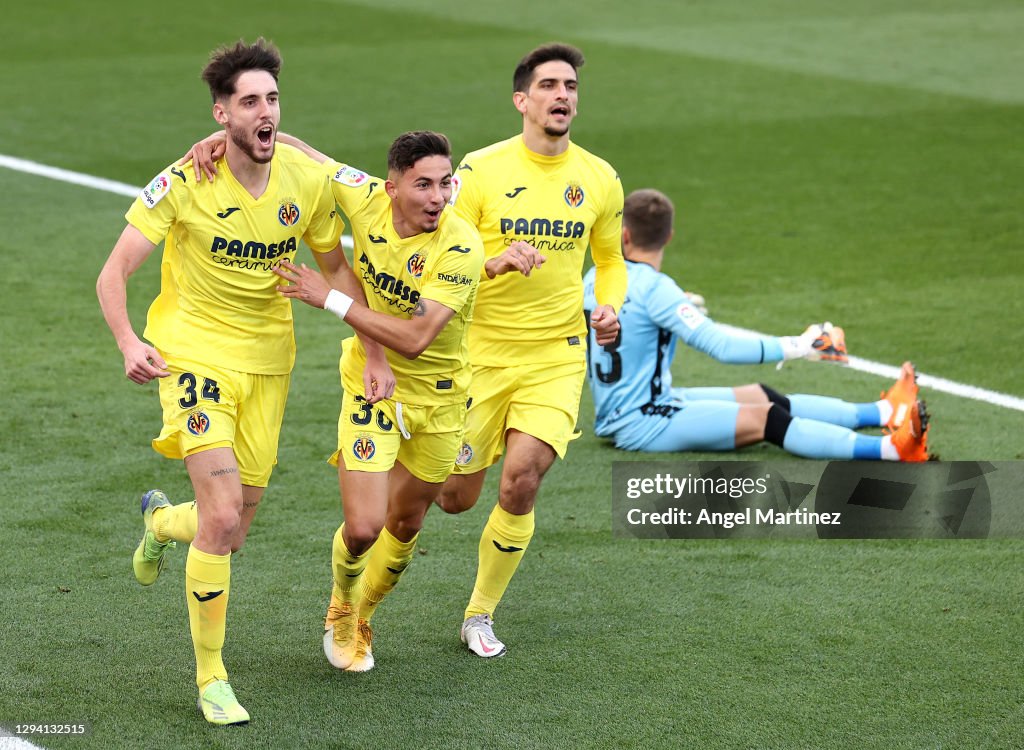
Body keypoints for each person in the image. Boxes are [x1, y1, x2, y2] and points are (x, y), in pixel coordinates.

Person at [95, 38, 391, 726]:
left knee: (228, 528)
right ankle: (212, 678)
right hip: (192, 356)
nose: (266, 112)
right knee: (224, 517)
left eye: (273, 100)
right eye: (250, 101)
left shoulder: (304, 179)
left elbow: (337, 269)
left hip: (269, 363)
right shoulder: (183, 181)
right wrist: (128, 340)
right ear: (221, 114)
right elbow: (114, 271)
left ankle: (161, 522)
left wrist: (371, 344)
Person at [182, 128, 485, 672]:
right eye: (423, 185)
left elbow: (416, 341)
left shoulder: (461, 246)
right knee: (365, 526)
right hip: (370, 385)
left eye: (445, 184)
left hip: (441, 397)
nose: (438, 197)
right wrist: (218, 140)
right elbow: (293, 146)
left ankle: (365, 609)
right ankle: (344, 608)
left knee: (407, 521)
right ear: (391, 187)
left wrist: (331, 299)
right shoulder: (360, 193)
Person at [433, 43, 629, 658]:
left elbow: (610, 259)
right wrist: (491, 263)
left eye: (570, 85)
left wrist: (610, 305)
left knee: (520, 481)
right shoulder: (480, 171)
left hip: (558, 354)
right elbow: (443, 252)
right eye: (548, 85)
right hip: (481, 355)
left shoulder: (599, 178)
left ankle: (479, 614)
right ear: (522, 100)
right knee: (454, 499)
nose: (562, 95)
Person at [582, 188, 930, 461]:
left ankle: (885, 410)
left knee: (762, 395)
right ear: (670, 236)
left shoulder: (594, 276)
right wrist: (801, 344)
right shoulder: (658, 290)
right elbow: (722, 347)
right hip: (641, 420)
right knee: (766, 418)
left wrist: (676, 305)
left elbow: (631, 314)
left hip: (644, 400)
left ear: (623, 235)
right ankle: (890, 450)